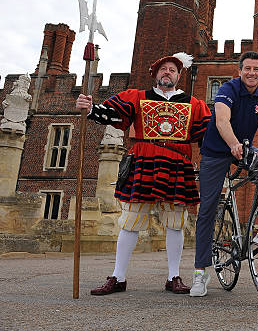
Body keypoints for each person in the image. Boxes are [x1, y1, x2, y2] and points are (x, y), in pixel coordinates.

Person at [76, 52, 211, 295]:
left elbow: (208, 135)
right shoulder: (137, 98)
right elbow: (111, 114)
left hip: (177, 165)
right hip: (144, 160)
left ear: (179, 76)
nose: (167, 72)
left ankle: (173, 276)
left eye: (172, 69)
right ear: (155, 74)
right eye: (163, 69)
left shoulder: (194, 104)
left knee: (175, 223)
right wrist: (90, 109)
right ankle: (118, 277)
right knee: (131, 220)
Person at [191, 51, 258, 297]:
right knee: (207, 208)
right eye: (247, 68)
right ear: (240, 71)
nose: (251, 73)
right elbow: (221, 121)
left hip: (245, 148)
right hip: (217, 150)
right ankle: (200, 273)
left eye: (256, 69)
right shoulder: (228, 88)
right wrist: (233, 144)